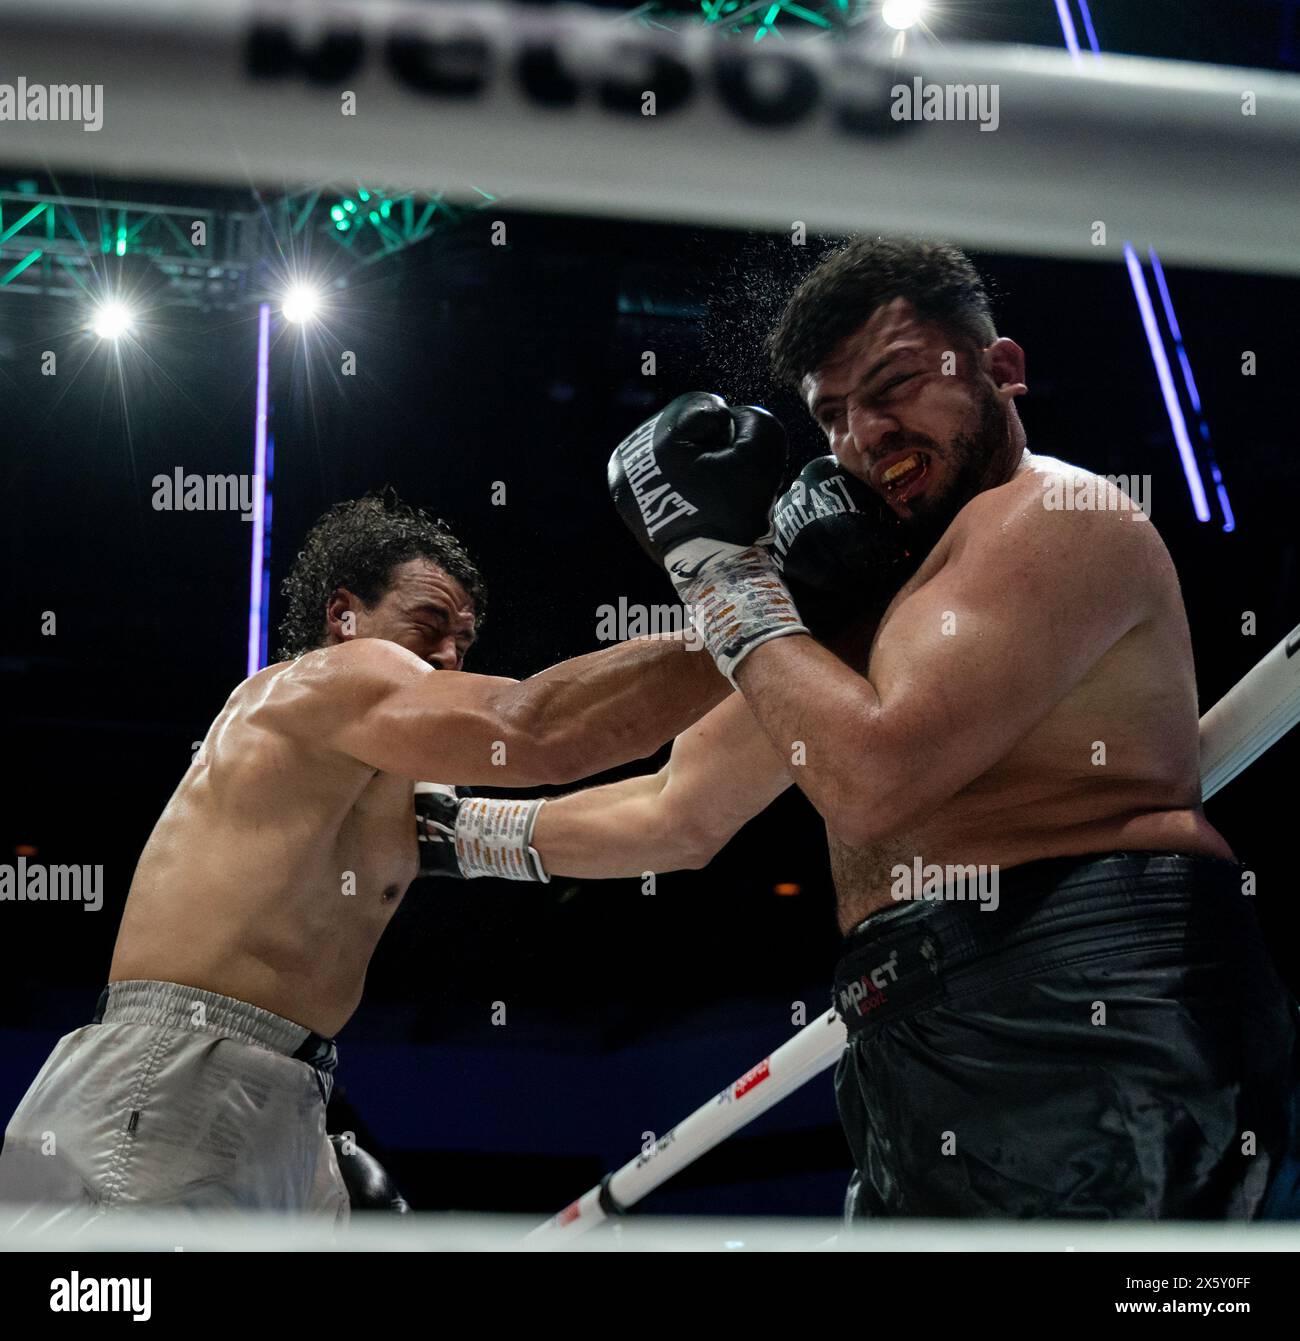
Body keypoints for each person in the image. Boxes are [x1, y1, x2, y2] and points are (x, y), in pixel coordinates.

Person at [429, 239, 1299, 1219]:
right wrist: (456, 836)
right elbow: (681, 806)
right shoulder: (868, 602)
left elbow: (875, 779)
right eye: (833, 414)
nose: (863, 435)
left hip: (1084, 1007)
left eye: (893, 387)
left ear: (1000, 368)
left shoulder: (1053, 515)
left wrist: (722, 573)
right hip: (916, 1034)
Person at [0, 492, 728, 1227]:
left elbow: (673, 820)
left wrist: (792, 635)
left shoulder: (406, 813)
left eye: (463, 641)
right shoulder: (316, 683)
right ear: (344, 615)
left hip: (284, 1101)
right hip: (168, 1076)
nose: (448, 655)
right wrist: (742, 612)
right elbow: (537, 729)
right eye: (429, 623)